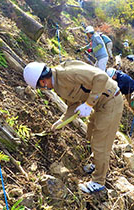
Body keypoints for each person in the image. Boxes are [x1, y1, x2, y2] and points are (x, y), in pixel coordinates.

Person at [23, 60, 123, 194]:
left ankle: (98, 182)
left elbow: (101, 77)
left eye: (41, 88)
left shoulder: (68, 73)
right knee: (91, 133)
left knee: (101, 142)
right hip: (99, 105)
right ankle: (97, 164)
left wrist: (89, 103)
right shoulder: (58, 84)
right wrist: (60, 122)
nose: (43, 89)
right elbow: (73, 104)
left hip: (111, 101)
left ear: (43, 82)